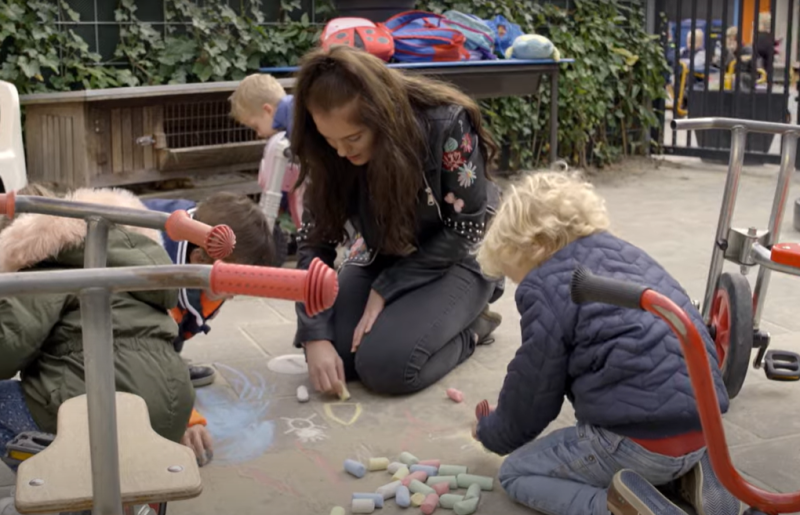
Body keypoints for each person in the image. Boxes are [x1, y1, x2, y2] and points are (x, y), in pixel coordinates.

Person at [473, 172, 740, 515]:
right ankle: (694, 469)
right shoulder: (633, 257)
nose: (521, 283)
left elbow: (532, 392)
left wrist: (492, 432)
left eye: (516, 274)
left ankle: (618, 506)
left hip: (636, 444)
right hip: (705, 430)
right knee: (660, 427)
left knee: (516, 472)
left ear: (530, 246)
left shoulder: (546, 284)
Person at [290, 45, 504, 397]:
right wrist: (314, 336)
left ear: (381, 117)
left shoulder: (447, 124)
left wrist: (387, 288)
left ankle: (472, 329)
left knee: (387, 367)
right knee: (339, 351)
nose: (341, 151)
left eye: (353, 138)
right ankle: (415, 319)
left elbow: (467, 229)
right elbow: (314, 243)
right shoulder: (328, 151)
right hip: (384, 254)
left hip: (461, 256)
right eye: (330, 140)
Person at [0, 185, 195, 461]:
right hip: (172, 410)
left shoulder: (45, 271)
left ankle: (64, 480)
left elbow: (6, 350)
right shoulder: (125, 260)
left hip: (98, 415)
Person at [142, 192, 275, 388]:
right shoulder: (156, 264)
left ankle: (165, 361)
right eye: (233, 283)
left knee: (191, 306)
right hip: (108, 305)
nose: (233, 296)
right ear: (199, 260)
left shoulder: (202, 243)